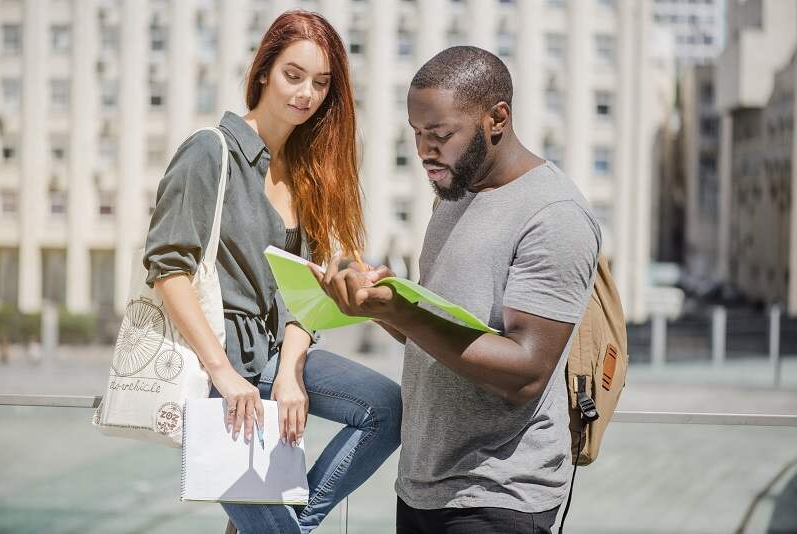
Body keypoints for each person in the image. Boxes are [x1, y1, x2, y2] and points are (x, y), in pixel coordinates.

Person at [311, 46, 601, 534]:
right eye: (418, 134)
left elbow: (525, 373)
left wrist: (403, 314)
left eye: (441, 135)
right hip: (423, 487)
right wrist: (380, 305)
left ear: (497, 118)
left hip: (498, 497)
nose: (425, 150)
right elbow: (439, 334)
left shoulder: (554, 215)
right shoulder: (453, 196)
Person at [143, 11, 401, 534]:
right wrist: (224, 374)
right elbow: (167, 268)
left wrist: (289, 373)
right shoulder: (209, 151)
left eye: (322, 83)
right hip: (219, 368)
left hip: (278, 356)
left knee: (388, 407)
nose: (307, 93)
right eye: (293, 74)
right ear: (263, 72)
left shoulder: (307, 172)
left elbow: (301, 294)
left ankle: (291, 525)